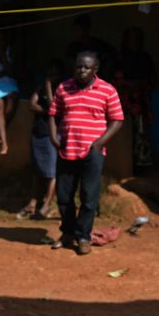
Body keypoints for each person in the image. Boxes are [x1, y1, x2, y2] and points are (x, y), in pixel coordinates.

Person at [48, 52, 124, 255]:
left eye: (86, 67)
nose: (81, 70)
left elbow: (117, 119)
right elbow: (53, 114)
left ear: (95, 69)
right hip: (66, 149)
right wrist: (54, 137)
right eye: (78, 66)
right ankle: (67, 233)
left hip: (92, 153)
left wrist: (99, 143)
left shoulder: (107, 90)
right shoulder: (64, 88)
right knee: (64, 197)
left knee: (89, 198)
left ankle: (83, 237)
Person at [17, 59, 64, 220]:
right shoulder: (40, 86)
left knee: (51, 172)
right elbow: (31, 104)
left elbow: (53, 108)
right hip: (38, 132)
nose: (50, 77)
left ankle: (46, 205)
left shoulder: (62, 89)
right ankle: (32, 203)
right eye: (49, 74)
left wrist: (49, 87)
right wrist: (46, 110)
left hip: (52, 134)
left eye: (54, 74)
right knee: (37, 171)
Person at [116, 26, 156, 173]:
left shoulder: (145, 58)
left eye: (136, 39)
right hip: (123, 102)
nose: (134, 42)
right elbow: (115, 79)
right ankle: (124, 164)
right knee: (123, 132)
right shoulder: (120, 58)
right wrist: (125, 85)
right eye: (131, 39)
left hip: (140, 103)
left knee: (140, 133)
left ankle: (140, 167)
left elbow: (151, 80)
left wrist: (137, 84)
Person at [65, 14, 117, 81]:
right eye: (74, 30)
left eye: (78, 30)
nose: (75, 33)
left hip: (97, 81)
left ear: (86, 30)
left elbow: (112, 54)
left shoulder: (99, 45)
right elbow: (70, 67)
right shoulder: (73, 47)